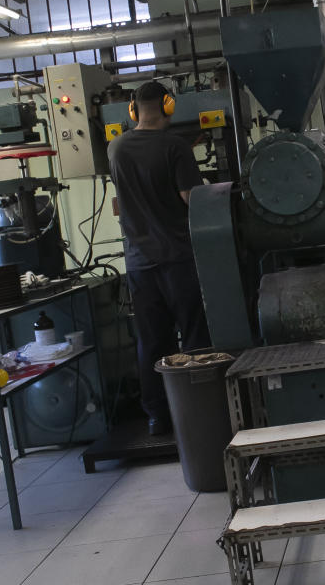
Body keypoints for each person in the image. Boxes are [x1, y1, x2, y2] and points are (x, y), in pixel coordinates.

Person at [108, 81, 211, 435]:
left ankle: (157, 417)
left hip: (138, 263)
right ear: (169, 105)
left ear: (132, 109)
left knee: (152, 341)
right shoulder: (175, 147)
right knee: (195, 334)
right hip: (179, 258)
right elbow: (191, 199)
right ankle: (199, 411)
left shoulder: (116, 147)